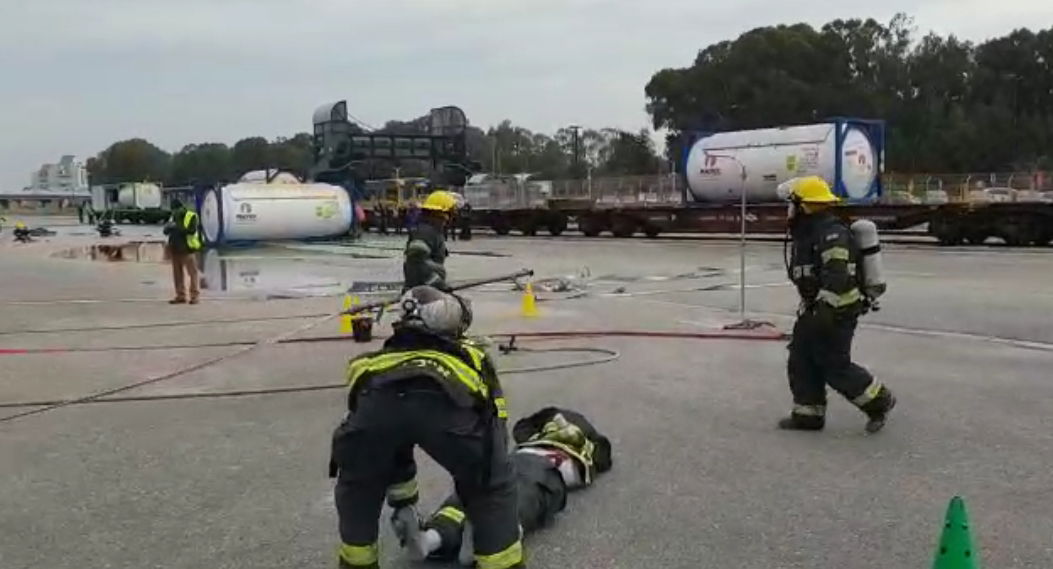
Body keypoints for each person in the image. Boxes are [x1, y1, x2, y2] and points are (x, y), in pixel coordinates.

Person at [330, 285, 523, 569]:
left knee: (358, 483)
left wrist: (403, 503)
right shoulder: (470, 353)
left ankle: (357, 562)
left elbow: (382, 436)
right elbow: (494, 417)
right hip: (446, 411)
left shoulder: (377, 362)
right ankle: (500, 562)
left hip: (376, 412)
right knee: (493, 487)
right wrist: (486, 480)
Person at [407, 407, 612, 565]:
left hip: (534, 461)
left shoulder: (580, 429)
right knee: (504, 491)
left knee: (495, 490)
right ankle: (448, 539)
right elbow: (521, 430)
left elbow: (604, 457)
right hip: (537, 461)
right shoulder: (556, 421)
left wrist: (577, 439)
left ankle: (435, 539)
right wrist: (551, 428)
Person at [778, 176, 896, 433]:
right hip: (816, 308)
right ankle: (808, 415)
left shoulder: (832, 233)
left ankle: (879, 401)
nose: (788, 210)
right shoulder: (809, 232)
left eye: (791, 204)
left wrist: (825, 310)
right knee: (801, 360)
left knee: (834, 366)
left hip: (837, 311)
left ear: (804, 206)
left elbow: (838, 277)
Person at [403, 191, 458, 292]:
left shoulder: (433, 231)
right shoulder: (425, 232)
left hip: (427, 291)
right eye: (450, 212)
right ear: (441, 213)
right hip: (421, 294)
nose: (451, 218)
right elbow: (416, 263)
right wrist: (438, 283)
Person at [162, 199, 202, 304]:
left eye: (175, 210)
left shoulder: (191, 215)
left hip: (187, 249)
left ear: (180, 208)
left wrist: (176, 227)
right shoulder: (173, 217)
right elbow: (165, 232)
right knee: (177, 274)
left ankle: (194, 296)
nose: (174, 212)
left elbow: (192, 230)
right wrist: (168, 227)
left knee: (192, 273)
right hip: (175, 248)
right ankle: (181, 295)